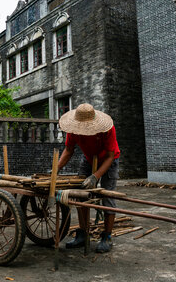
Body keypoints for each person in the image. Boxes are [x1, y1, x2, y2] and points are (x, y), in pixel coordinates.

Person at [57, 103, 120, 253]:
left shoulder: (107, 129)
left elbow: (110, 156)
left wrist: (95, 176)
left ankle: (107, 237)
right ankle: (83, 234)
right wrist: (55, 170)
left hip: (108, 161)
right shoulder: (73, 130)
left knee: (107, 197)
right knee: (80, 195)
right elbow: (68, 150)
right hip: (88, 159)